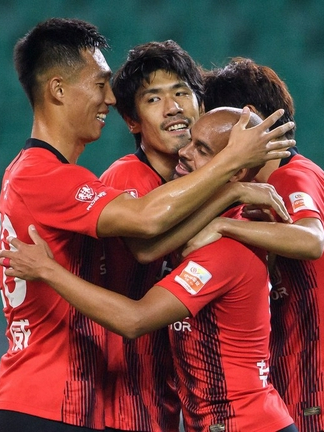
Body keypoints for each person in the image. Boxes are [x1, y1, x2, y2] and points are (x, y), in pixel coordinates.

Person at [0, 18, 295, 432]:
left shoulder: (57, 174)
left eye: (182, 92)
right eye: (100, 84)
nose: (109, 98)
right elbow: (146, 235)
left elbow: (309, 241)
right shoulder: (82, 177)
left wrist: (234, 195)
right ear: (58, 90)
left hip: (106, 400)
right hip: (69, 400)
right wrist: (232, 170)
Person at [188, 58, 324, 432]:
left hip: (311, 401)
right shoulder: (265, 185)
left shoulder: (292, 176)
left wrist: (224, 226)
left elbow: (311, 239)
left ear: (246, 119)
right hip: (303, 395)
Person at [99, 40, 204, 432]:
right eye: (154, 99)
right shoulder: (127, 176)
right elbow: (145, 246)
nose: (173, 107)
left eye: (181, 93)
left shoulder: (191, 186)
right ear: (132, 121)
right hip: (119, 401)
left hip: (160, 394)